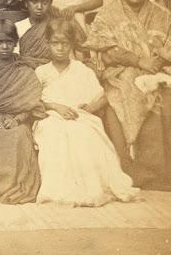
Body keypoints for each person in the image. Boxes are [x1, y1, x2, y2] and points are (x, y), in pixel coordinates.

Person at [84, 0, 171, 192]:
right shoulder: (108, 14)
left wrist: (160, 59)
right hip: (123, 70)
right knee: (132, 96)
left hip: (161, 68)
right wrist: (138, 61)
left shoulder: (162, 14)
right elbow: (103, 48)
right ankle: (145, 173)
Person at [34, 18, 138, 206]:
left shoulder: (81, 70)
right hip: (51, 117)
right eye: (55, 43)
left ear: (72, 44)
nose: (60, 48)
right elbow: (34, 100)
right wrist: (55, 106)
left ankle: (89, 188)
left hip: (80, 117)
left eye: (64, 43)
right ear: (48, 43)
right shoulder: (41, 72)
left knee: (83, 134)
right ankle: (61, 188)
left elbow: (102, 96)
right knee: (53, 133)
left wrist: (89, 108)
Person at [0, 19, 46, 204]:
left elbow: (32, 103)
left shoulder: (25, 69)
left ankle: (16, 187)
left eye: (9, 42)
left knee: (20, 135)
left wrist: (17, 119)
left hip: (18, 119)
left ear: (16, 43)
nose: (5, 46)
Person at [16, 0, 85, 65]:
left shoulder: (58, 27)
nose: (39, 6)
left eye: (44, 2)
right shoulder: (17, 28)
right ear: (26, 3)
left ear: (50, 3)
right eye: (34, 1)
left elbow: (70, 58)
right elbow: (15, 59)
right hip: (25, 72)